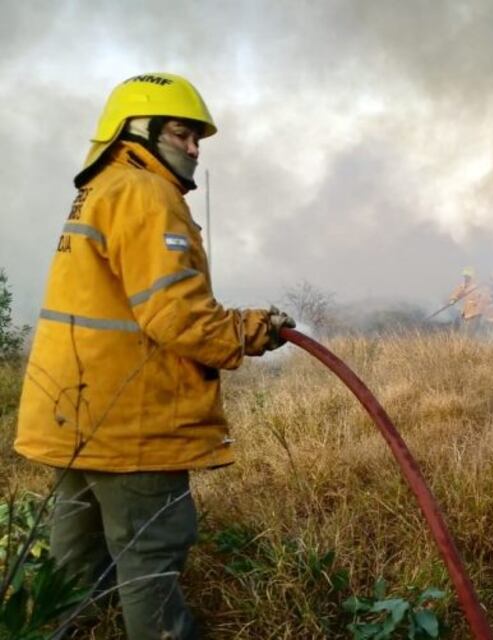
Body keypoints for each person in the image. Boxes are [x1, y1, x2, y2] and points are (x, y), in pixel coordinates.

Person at [14, 72, 294, 640]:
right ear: (136, 130)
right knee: (150, 555)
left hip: (76, 416)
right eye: (180, 133)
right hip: (129, 424)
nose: (194, 147)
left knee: (72, 567)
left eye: (197, 137)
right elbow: (177, 316)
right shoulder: (147, 193)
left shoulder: (103, 188)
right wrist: (252, 329)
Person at [447, 266, 482, 333]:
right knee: (461, 329)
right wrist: (453, 299)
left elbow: (482, 299)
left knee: (471, 331)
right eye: (465, 276)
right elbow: (456, 292)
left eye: (468, 276)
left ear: (472, 277)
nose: (466, 278)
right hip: (464, 312)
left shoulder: (477, 287)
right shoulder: (462, 285)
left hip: (474, 314)